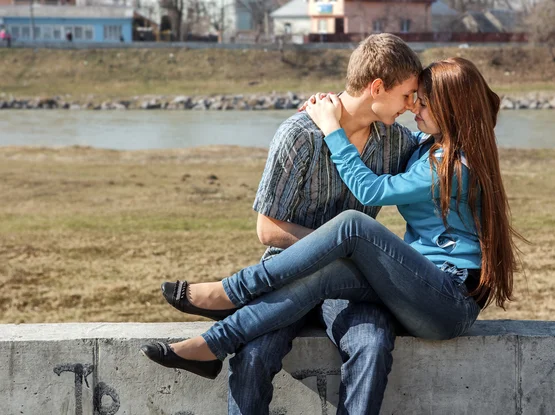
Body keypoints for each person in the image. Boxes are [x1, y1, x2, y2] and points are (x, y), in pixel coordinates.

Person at [142, 57, 522, 403]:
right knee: (328, 273)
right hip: (418, 290)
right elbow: (379, 131)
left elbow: (372, 190)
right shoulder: (425, 146)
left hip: (448, 299)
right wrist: (334, 111)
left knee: (353, 227)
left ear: (451, 108)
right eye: (412, 97)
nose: (412, 107)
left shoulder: (455, 165)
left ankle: (232, 290)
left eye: (422, 101)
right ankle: (213, 345)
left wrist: (330, 129)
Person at [156, 33, 422, 414]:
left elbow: (442, 149)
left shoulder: (398, 142)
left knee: (373, 344)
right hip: (285, 272)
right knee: (252, 355)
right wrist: (333, 250)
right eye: (407, 95)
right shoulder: (299, 135)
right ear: (377, 87)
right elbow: (267, 229)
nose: (411, 106)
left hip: (351, 286)